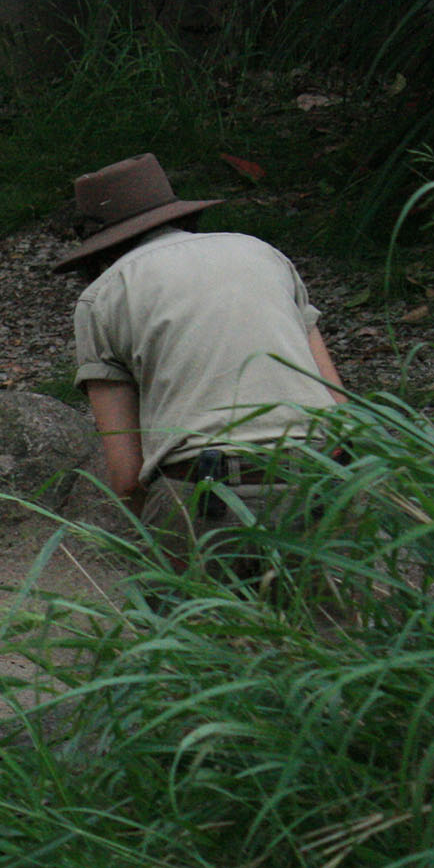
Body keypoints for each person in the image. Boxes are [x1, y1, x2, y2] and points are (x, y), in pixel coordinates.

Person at [56, 152, 347, 565]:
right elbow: (339, 407)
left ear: (96, 247)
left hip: (206, 496)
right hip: (321, 487)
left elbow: (126, 477)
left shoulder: (103, 295)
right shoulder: (263, 254)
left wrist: (158, 541)